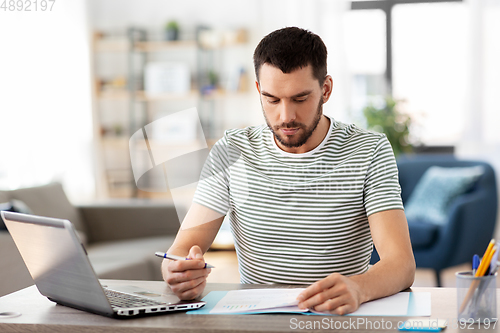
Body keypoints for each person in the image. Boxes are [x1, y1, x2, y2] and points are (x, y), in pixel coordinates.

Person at [161, 27, 415, 315]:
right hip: (258, 319)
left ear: (326, 89)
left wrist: (359, 287)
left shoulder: (369, 150)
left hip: (337, 317)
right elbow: (182, 248)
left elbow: (401, 264)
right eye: (272, 100)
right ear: (258, 91)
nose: (286, 117)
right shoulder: (232, 150)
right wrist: (177, 270)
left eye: (300, 99)